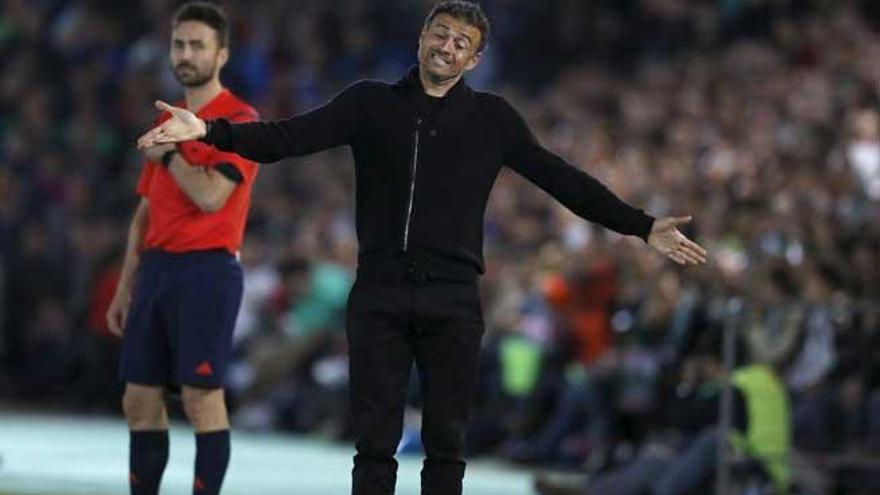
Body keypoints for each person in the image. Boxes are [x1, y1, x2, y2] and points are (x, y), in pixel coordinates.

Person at [137, 2, 707, 494]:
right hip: (380, 293)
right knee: (375, 446)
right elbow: (285, 138)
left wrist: (641, 225)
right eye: (441, 34)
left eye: (462, 43)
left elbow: (563, 180)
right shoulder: (369, 103)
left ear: (474, 60)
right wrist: (209, 132)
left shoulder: (494, 120)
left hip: (454, 300)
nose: (448, 46)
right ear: (422, 37)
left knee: (445, 446)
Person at [106, 3, 259, 494]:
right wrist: (125, 285)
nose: (186, 54)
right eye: (179, 44)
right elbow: (145, 211)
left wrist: (170, 152)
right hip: (157, 269)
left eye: (198, 45)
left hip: (208, 269)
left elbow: (213, 197)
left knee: (201, 397)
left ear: (222, 54)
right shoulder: (169, 116)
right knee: (139, 398)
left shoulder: (240, 119)